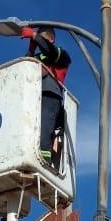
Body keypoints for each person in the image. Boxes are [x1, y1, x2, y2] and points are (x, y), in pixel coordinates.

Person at [21, 26, 71, 167]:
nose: (38, 42)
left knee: (44, 130)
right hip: (32, 96)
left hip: (50, 94)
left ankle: (45, 162)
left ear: (51, 39)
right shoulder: (37, 57)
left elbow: (50, 50)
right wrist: (31, 49)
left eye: (42, 39)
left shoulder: (61, 54)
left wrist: (35, 36)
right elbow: (25, 68)